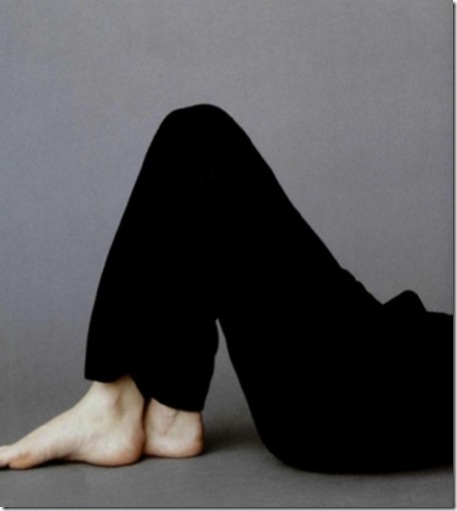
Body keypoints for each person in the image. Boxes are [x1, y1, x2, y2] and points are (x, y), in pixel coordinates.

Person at [0, 104, 452, 472]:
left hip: (364, 394)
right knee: (197, 138)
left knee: (199, 139)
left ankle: (116, 404)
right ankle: (169, 411)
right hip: (392, 362)